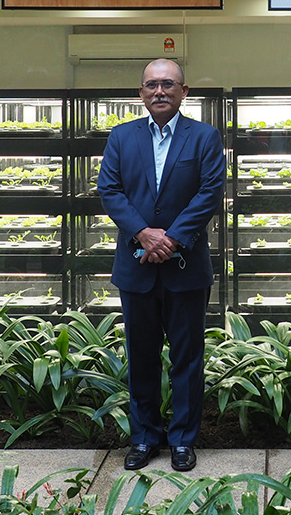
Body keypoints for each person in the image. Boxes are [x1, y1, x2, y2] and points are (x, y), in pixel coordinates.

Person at [98, 58, 226, 472]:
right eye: (152, 85)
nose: (160, 92)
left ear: (183, 91)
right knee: (141, 356)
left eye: (168, 84)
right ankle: (144, 438)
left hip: (185, 264)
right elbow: (110, 190)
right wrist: (143, 233)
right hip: (136, 265)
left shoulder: (204, 137)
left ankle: (184, 441)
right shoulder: (121, 137)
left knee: (188, 357)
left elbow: (210, 191)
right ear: (141, 92)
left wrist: (170, 237)